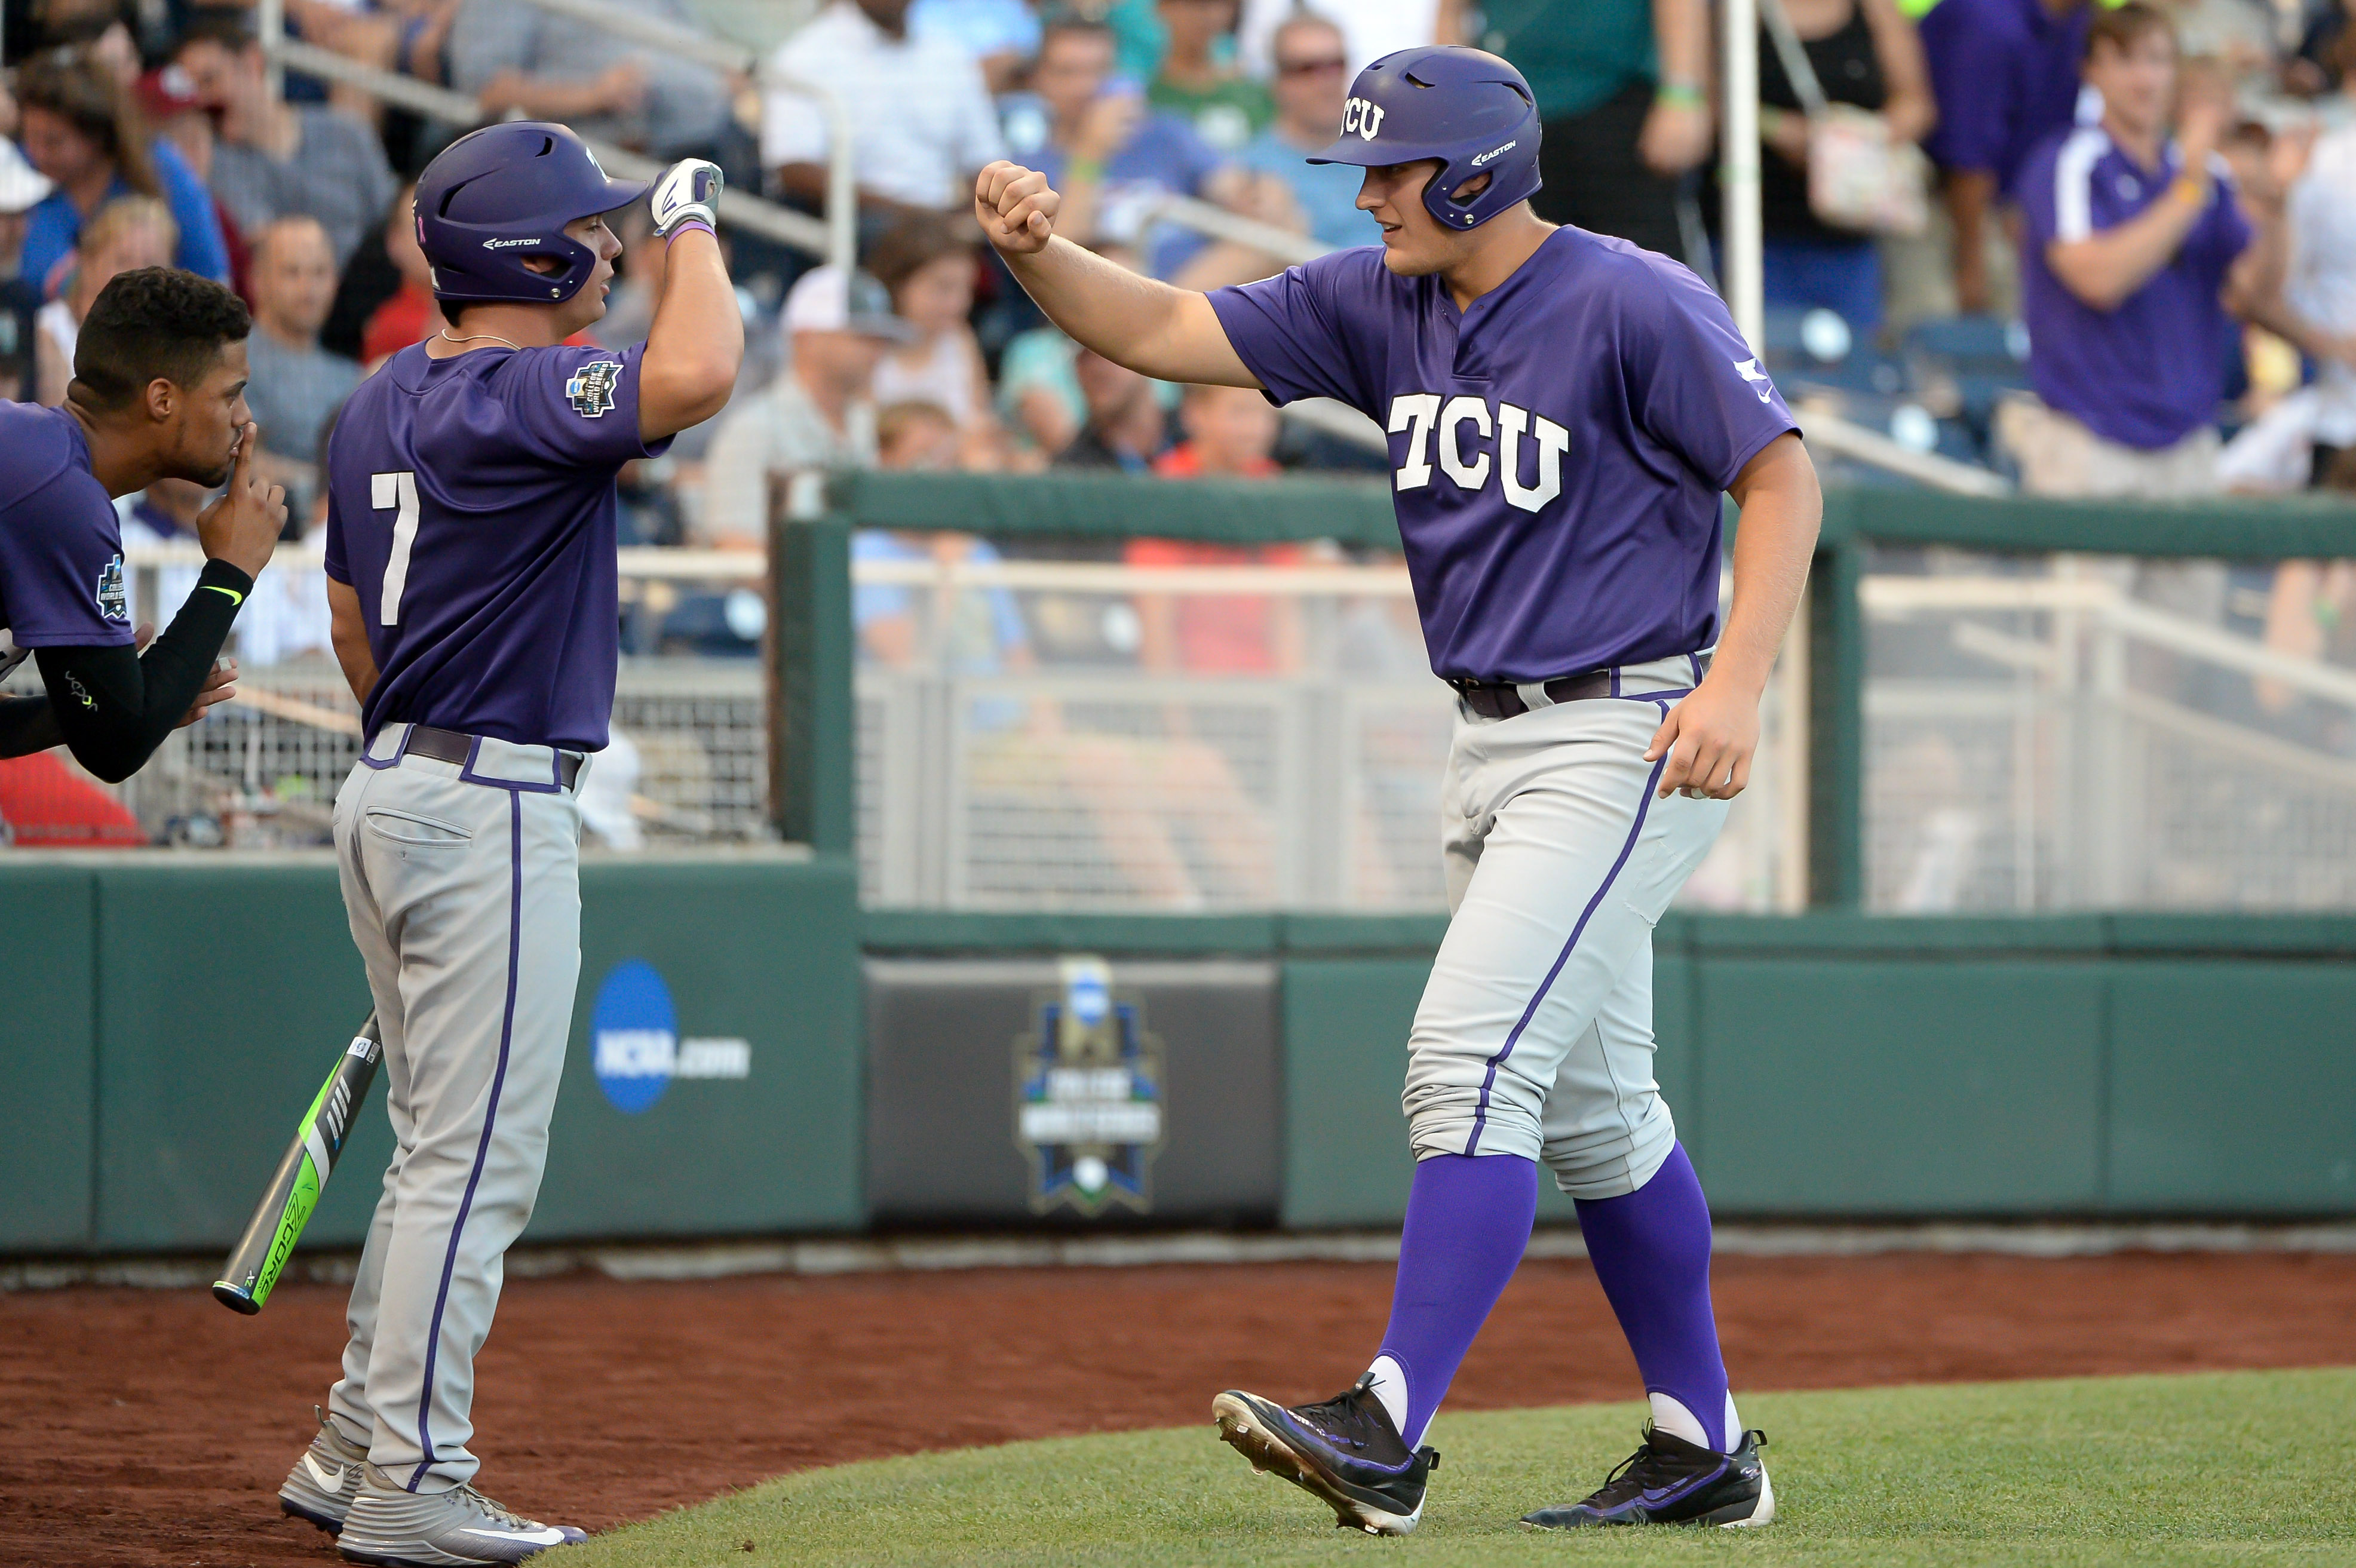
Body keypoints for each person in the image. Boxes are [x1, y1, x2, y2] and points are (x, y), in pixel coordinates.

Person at [976, 39, 1820, 1533]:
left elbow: (1780, 474)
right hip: (1489, 738)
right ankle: (1704, 1449)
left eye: (1391, 168)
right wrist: (1045, 260)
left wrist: (1738, 681)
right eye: (1359, 171)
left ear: (1482, 166)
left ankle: (1385, 1426)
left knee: (1466, 1063)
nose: (1368, 196)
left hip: (1623, 729)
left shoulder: (1629, 295)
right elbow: (1170, 325)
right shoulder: (1385, 300)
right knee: (1599, 1120)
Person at [283, 123, 741, 1562]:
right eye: (591, 229)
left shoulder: (371, 404)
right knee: (471, 1164)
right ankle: (412, 1482)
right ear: (532, 256)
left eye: (619, 226)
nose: (609, 246)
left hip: (395, 782)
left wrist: (420, 749)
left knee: (436, 1151)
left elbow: (355, 625)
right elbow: (704, 368)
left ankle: (354, 1443)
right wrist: (693, 221)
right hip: (482, 800)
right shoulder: (526, 390)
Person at [0, 266, 281, 782]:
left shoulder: (43, 468)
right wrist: (232, 570)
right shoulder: (60, 496)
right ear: (162, 399)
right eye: (230, 394)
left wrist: (127, 704)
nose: (244, 416)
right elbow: (116, 749)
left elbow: (109, 730)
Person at [2002, 4, 2286, 498]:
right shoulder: (2070, 162)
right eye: (2126, 61)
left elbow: (2254, 294)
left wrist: (2279, 207)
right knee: (2087, 581)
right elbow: (2098, 281)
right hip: (2091, 437)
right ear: (2091, 70)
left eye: (2158, 61)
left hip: (2189, 441)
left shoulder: (2205, 173)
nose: (2145, 79)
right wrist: (2188, 190)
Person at [1452, 0, 1716, 260]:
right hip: (1510, 109)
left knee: (1650, 273)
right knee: (1525, 276)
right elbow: (1451, 10)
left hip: (1621, 100)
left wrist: (1683, 95)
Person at [1741, 0, 1935, 332]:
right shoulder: (1737, 11)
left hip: (1851, 232)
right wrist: (1782, 130)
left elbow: (1916, 103)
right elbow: (1713, 98)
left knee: (1855, 355)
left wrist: (1850, 139)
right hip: (1754, 231)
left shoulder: (1875, 11)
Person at [698, 265, 909, 547]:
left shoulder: (869, 422)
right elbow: (736, 547)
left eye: (881, 340)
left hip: (867, 585)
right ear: (807, 337)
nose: (877, 351)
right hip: (794, 588)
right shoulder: (755, 426)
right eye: (861, 336)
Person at [174, 14, 398, 270]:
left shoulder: (347, 131)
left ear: (252, 64)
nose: (202, 100)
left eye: (210, 80)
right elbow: (265, 250)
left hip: (373, 287)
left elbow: (392, 223)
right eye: (193, 92)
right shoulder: (217, 164)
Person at [1917, 0, 2093, 315]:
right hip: (1937, 212)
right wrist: (1972, 262)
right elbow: (1967, 158)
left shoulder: (2079, 21)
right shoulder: (1988, 20)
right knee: (1943, 337)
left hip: (2012, 210)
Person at [762, 0, 1007, 219]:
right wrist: (911, 217)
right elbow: (793, 169)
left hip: (944, 221)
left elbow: (986, 162)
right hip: (858, 224)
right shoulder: (806, 55)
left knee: (1021, 242)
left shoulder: (949, 53)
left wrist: (976, 217)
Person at [13, 50, 232, 293]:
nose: (38, 153)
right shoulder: (19, 171)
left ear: (96, 135)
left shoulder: (160, 170)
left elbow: (213, 281)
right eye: (30, 138)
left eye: (54, 142)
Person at [449, 0, 732, 162]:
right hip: (593, 164)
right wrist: (594, 95)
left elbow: (704, 46)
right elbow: (485, 89)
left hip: (705, 136)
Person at [241, 216, 363, 520]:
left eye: (320, 272)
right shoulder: (235, 363)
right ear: (257, 280)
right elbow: (241, 462)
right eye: (291, 272)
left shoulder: (351, 376)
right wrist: (324, 486)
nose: (308, 288)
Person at [865, 210, 1002, 464]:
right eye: (942, 287)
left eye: (966, 289)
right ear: (899, 283)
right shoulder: (869, 346)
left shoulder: (962, 340)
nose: (959, 304)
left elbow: (980, 426)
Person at [1234, 12, 1375, 251]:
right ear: (1277, 80)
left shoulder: (1383, 151)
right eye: (1307, 69)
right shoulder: (1251, 171)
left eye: (1336, 65)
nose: (1326, 82)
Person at [33, 193, 176, 407]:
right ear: (89, 262)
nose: (137, 275)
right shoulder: (50, 327)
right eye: (123, 260)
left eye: (151, 263)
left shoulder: (175, 343)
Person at [1150, 0, 1274, 152]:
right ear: (1164, 7)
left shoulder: (1254, 93)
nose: (1213, 15)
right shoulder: (1143, 95)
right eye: (1198, 5)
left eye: (1224, 5)